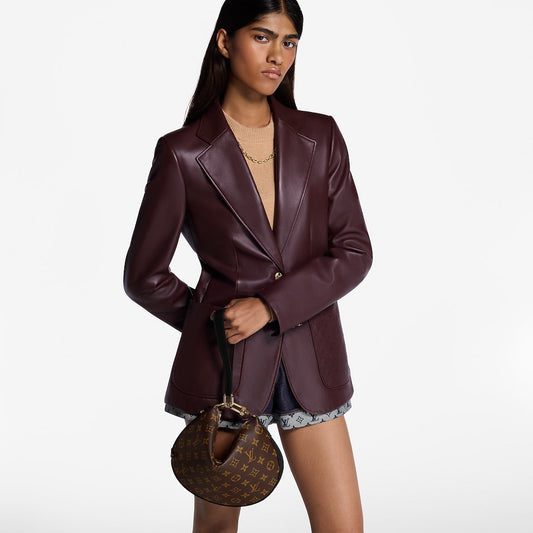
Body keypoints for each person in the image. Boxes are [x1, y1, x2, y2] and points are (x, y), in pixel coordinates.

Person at [123, 0, 372, 531]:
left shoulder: (321, 136)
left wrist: (269, 307)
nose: (277, 55)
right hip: (227, 372)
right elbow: (144, 277)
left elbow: (354, 251)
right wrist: (214, 323)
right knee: (216, 529)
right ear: (224, 41)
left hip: (311, 359)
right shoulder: (182, 154)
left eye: (289, 42)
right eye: (262, 37)